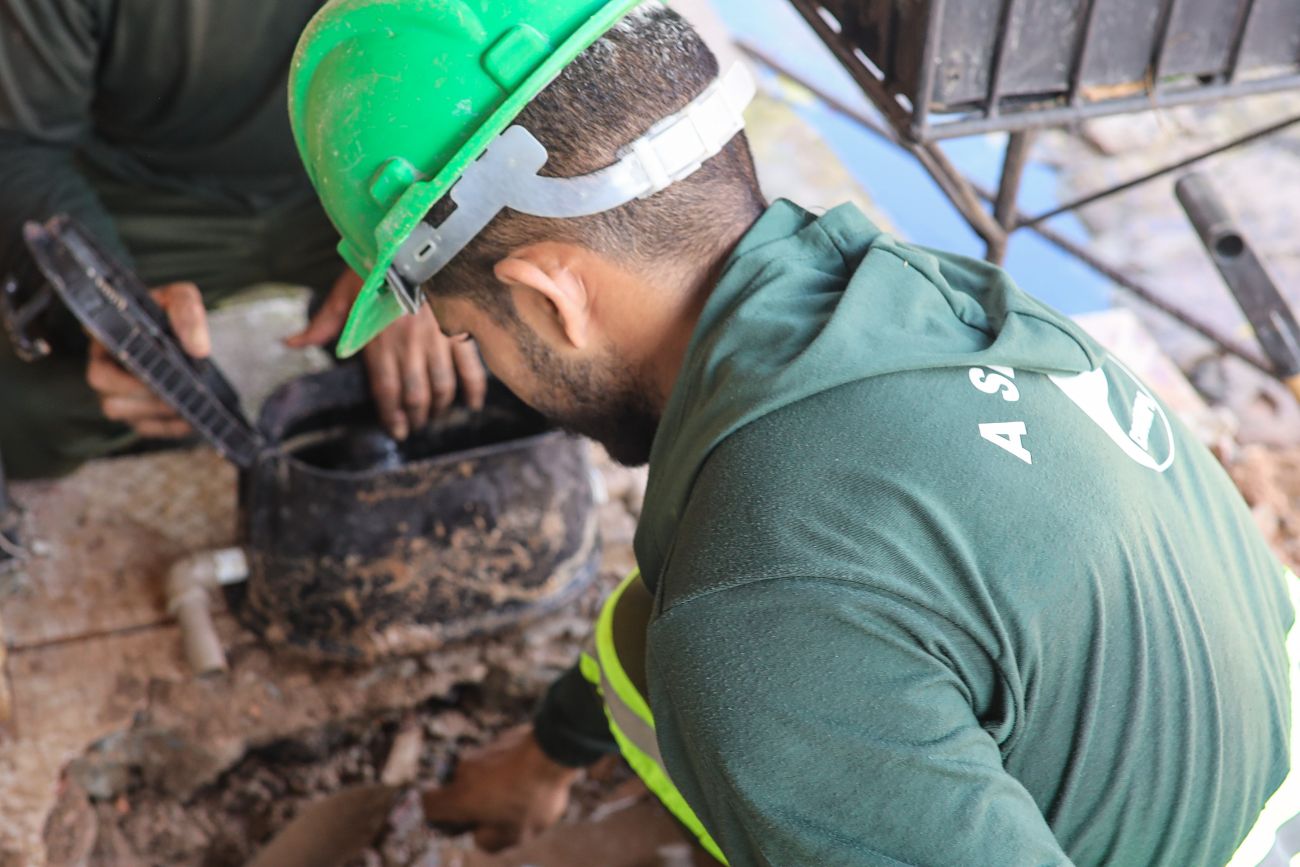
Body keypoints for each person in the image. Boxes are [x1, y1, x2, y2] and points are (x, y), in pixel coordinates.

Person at [290, 1, 1299, 864]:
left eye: (469, 334)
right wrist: (546, 751)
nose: (489, 367)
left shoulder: (759, 612)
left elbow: (776, 604)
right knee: (670, 643)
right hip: (1248, 743)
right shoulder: (907, 295)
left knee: (724, 663)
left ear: (553, 296)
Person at [0, 0, 485, 480]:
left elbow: (493, 80)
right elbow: (20, 144)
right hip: (144, 198)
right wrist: (112, 307)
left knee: (481, 347)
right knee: (37, 406)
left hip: (367, 184)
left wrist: (418, 249)